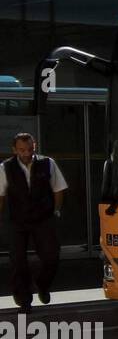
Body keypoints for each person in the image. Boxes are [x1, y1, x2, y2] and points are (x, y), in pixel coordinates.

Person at [0, 133, 68, 310]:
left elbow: (58, 189)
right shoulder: (5, 168)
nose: (26, 153)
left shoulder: (47, 163)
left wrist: (56, 210)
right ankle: (23, 299)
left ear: (34, 146)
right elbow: (1, 196)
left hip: (43, 217)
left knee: (51, 256)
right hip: (18, 219)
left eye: (30, 149)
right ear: (14, 150)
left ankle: (43, 285)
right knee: (17, 260)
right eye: (22, 150)